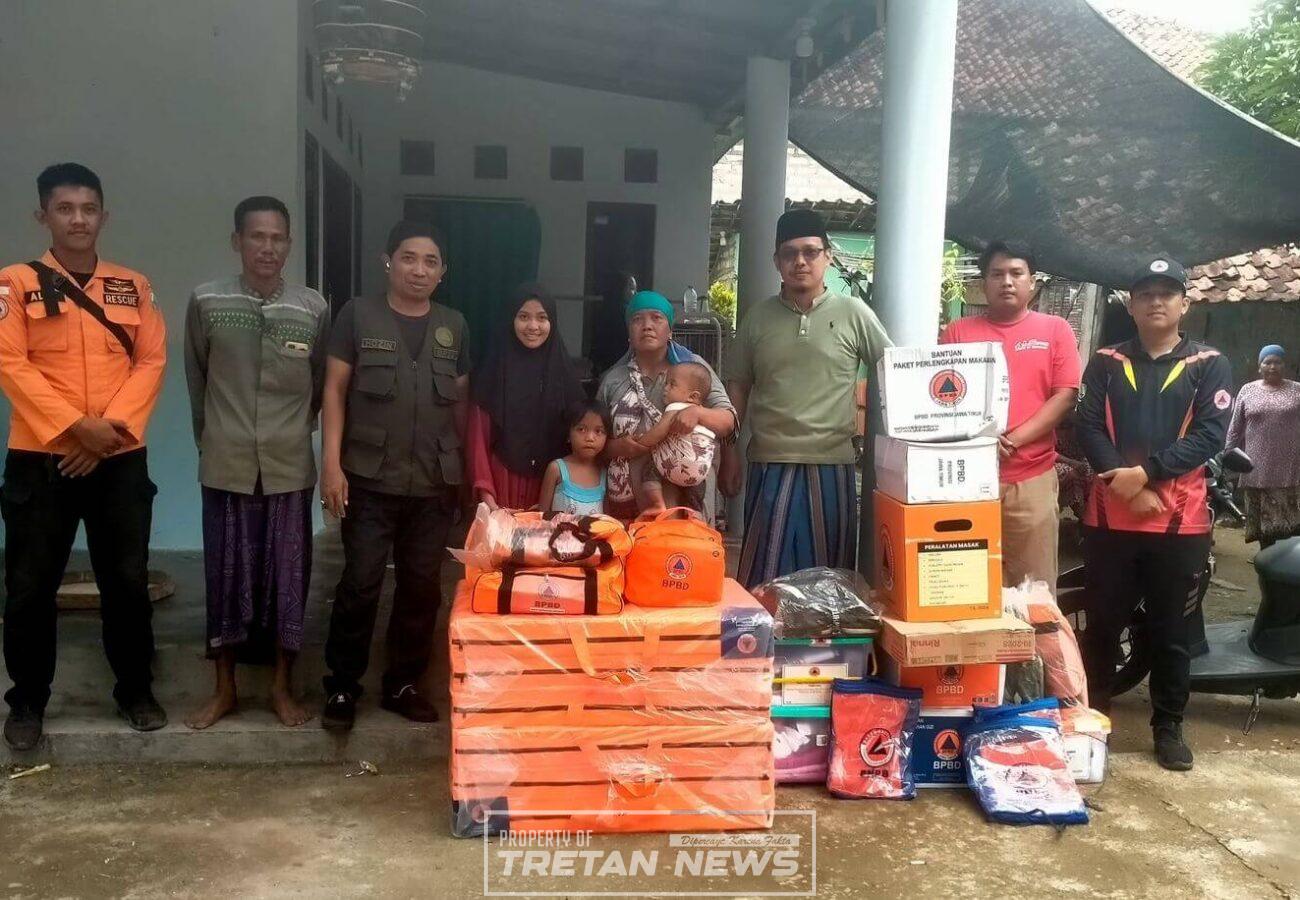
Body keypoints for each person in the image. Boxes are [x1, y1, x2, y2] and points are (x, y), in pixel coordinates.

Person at [0, 163, 168, 750]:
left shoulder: (133, 285)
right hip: (40, 459)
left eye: (88, 209)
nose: (78, 219)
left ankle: (135, 689)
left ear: (104, 216)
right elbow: (11, 364)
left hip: (119, 458)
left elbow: (150, 361)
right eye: (65, 209)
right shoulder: (13, 284)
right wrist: (76, 429)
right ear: (42, 215)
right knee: (29, 586)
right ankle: (27, 700)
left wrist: (107, 434)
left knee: (126, 581)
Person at [1076, 256, 1233, 772]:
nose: (1156, 302)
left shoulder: (1209, 363)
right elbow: (1088, 428)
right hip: (1109, 520)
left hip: (1179, 524)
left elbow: (1209, 436)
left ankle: (1168, 727)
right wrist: (1124, 486)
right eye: (1145, 294)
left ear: (1184, 304)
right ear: (1131, 305)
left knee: (1171, 632)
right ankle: (1092, 723)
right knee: (1101, 628)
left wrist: (1144, 475)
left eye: (1167, 294)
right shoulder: (1105, 361)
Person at [183, 196, 330, 730]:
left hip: (288, 465)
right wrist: (214, 440)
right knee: (225, 578)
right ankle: (223, 689)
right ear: (237, 241)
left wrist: (292, 431)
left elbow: (319, 384)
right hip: (226, 463)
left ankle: (281, 688)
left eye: (277, 238)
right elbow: (197, 378)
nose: (267, 248)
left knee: (287, 580)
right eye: (256, 237)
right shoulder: (206, 301)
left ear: (289, 244)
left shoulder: (312, 308)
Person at [318, 220, 469, 732]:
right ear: (388, 261)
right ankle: (342, 685)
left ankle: (403, 684)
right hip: (368, 478)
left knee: (421, 588)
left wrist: (464, 476)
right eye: (408, 257)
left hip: (433, 482)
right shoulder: (357, 315)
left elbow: (462, 404)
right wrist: (330, 465)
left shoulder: (454, 325)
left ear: (443, 271)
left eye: (430, 261)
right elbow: (334, 390)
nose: (418, 270)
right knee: (360, 583)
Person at [723, 209, 892, 588]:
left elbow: (894, 369)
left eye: (811, 252)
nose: (800, 261)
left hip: (831, 464)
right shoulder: (758, 318)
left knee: (829, 583)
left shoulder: (853, 313)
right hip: (770, 463)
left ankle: (825, 633)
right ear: (777, 261)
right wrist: (728, 452)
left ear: (827, 257)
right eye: (790, 253)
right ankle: (766, 630)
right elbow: (738, 387)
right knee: (765, 579)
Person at [941, 241, 1081, 591]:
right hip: (968, 479)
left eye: (1016, 273)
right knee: (966, 584)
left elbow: (1065, 396)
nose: (1007, 281)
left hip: (1030, 478)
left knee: (1034, 589)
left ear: (1032, 281)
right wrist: (980, 440)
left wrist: (1012, 440)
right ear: (983, 283)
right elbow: (943, 400)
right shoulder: (958, 332)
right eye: (997, 274)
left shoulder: (1055, 330)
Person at [596, 291, 736, 520]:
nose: (647, 326)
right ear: (629, 333)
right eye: (637, 319)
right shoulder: (613, 380)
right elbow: (593, 437)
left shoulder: (692, 369)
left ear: (670, 330)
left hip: (687, 497)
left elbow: (729, 421)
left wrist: (697, 412)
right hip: (626, 501)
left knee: (683, 543)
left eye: (656, 318)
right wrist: (616, 448)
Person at [465, 283, 583, 510]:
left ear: (552, 322)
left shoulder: (564, 377)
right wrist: (488, 498)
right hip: (501, 487)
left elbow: (580, 440)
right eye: (523, 317)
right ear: (511, 319)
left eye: (542, 317)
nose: (533, 326)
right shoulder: (492, 373)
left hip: (551, 488)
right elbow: (477, 439)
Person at [1225, 345, 1300, 547]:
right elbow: (1235, 428)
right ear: (1260, 366)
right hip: (1256, 468)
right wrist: (1228, 452)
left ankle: (1285, 563)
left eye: (1278, 362)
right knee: (1263, 528)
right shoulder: (1247, 390)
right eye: (1267, 362)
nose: (1272, 366)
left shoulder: (1297, 390)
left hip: (1290, 468)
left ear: (1285, 365)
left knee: (1291, 525)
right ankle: (1265, 559)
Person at [634, 361, 716, 513]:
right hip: (699, 470)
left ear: (693, 396)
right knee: (695, 489)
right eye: (666, 383)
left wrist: (641, 442)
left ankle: (657, 504)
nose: (665, 388)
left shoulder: (675, 407)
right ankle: (694, 513)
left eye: (672, 384)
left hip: (675, 465)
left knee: (649, 470)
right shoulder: (704, 413)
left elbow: (659, 432)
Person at [540, 400, 610, 515]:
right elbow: (541, 516)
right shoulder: (556, 469)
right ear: (568, 434)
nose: (590, 438)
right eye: (581, 429)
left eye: (598, 431)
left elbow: (606, 521)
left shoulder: (604, 473)